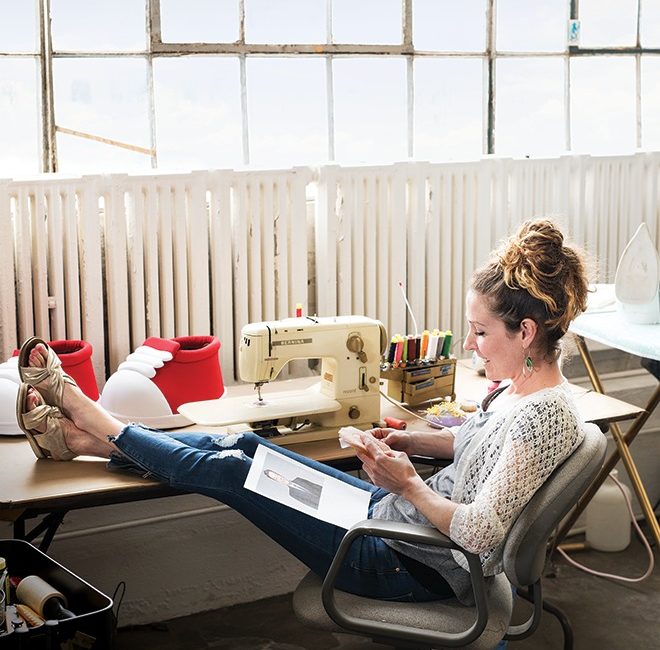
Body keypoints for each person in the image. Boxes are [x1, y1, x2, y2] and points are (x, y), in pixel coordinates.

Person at [16, 218, 589, 605]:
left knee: (229, 473)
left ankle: (90, 415)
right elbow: (475, 447)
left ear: (527, 331)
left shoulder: (544, 418)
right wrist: (410, 446)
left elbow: (482, 534)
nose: (469, 343)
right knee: (246, 448)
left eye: (481, 331)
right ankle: (91, 443)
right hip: (392, 518)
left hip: (407, 563)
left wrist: (410, 486)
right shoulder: (516, 389)